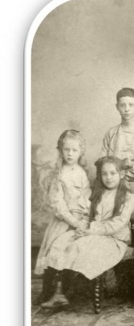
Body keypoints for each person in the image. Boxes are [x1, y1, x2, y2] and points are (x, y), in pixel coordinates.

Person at [40, 156, 134, 309]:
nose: (108, 177)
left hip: (114, 239)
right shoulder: (98, 194)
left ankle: (70, 290)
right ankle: (59, 292)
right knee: (61, 241)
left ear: (121, 174)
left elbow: (116, 224)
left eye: (112, 173)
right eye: (104, 174)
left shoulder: (128, 197)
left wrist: (89, 230)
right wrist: (82, 227)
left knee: (79, 246)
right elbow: (89, 216)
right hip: (93, 232)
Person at [33, 130, 91, 305]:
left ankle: (67, 291)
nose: (70, 154)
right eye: (66, 149)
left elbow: (86, 197)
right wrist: (74, 221)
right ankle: (48, 293)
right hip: (63, 221)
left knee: (71, 253)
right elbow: (58, 205)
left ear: (81, 151)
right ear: (60, 150)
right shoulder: (58, 174)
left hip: (79, 220)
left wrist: (84, 219)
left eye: (74, 150)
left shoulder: (81, 172)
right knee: (54, 252)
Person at [101, 87, 134, 247]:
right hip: (113, 183)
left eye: (131, 105)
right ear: (117, 106)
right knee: (112, 217)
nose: (127, 109)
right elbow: (103, 160)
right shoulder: (111, 133)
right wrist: (120, 167)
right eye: (122, 105)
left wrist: (132, 169)